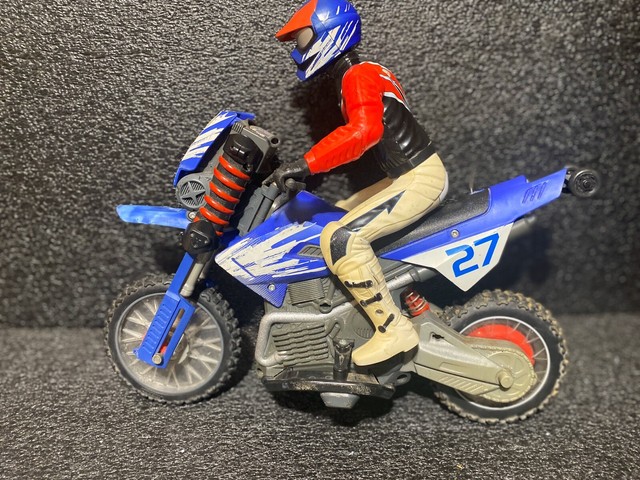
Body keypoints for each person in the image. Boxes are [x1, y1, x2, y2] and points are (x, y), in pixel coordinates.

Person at [272, 0, 448, 366]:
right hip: (407, 175)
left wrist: (306, 164)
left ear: (330, 33)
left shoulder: (357, 75)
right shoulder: (363, 72)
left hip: (418, 178)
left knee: (341, 238)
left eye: (304, 39)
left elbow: (364, 133)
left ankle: (392, 328)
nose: (298, 50)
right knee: (334, 213)